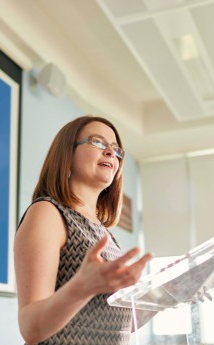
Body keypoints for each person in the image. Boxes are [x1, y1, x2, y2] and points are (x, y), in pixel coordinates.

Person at [14, 115, 153, 345]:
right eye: (98, 142)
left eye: (116, 150)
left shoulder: (107, 235)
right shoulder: (48, 213)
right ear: (67, 154)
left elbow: (117, 322)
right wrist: (81, 287)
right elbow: (30, 328)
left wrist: (164, 295)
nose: (110, 152)